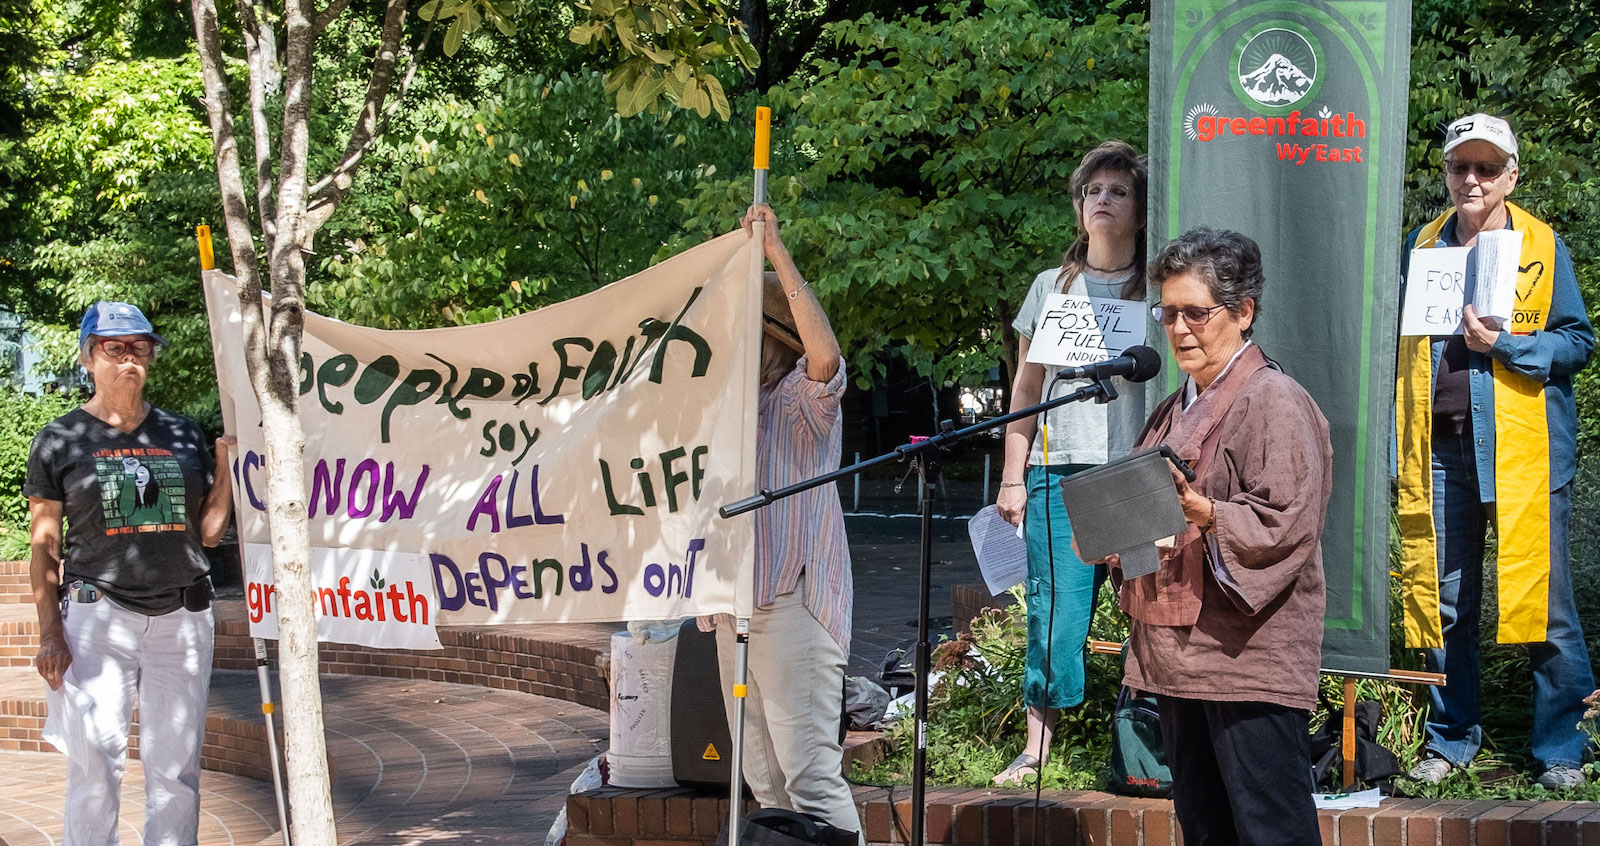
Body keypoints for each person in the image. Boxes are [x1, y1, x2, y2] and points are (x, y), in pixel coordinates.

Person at [1108, 228, 1331, 845]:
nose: (1179, 329)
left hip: (1246, 658)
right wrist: (1116, 534)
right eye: (1168, 313)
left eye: (1195, 313)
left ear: (1244, 311)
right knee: (1205, 829)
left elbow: (1287, 524)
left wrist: (1205, 513)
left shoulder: (1275, 399)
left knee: (1271, 831)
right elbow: (1148, 519)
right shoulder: (1171, 408)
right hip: (1175, 658)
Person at [1396, 113, 1596, 789]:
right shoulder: (1421, 245)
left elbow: (1579, 342)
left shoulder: (1542, 244)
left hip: (1524, 451)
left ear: (1511, 176)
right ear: (1446, 174)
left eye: (1487, 168)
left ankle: (1562, 748)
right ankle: (1451, 739)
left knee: (1545, 604)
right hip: (1439, 453)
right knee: (1444, 603)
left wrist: (1504, 346)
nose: (1473, 180)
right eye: (1461, 167)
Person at [25, 301, 236, 846]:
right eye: (113, 348)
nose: (128, 359)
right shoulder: (60, 439)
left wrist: (226, 469)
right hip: (98, 616)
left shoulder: (182, 432)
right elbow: (44, 546)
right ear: (88, 357)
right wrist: (50, 634)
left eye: (139, 348)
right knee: (95, 760)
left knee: (177, 765)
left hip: (183, 615)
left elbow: (210, 533)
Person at [698, 204, 861, 840]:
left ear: (771, 340)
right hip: (732, 606)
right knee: (763, 778)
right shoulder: (725, 410)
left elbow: (827, 358)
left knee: (810, 777)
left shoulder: (797, 398)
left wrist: (776, 255)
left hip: (792, 602)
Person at [992, 140, 1149, 786]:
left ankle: (1146, 745)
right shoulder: (1049, 287)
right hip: (1057, 472)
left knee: (1150, 607)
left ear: (1141, 209)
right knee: (1053, 613)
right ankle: (1037, 751)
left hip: (1136, 472)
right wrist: (1014, 475)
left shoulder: (1159, 289)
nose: (1102, 200)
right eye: (1092, 191)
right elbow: (1025, 391)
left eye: (1118, 191)